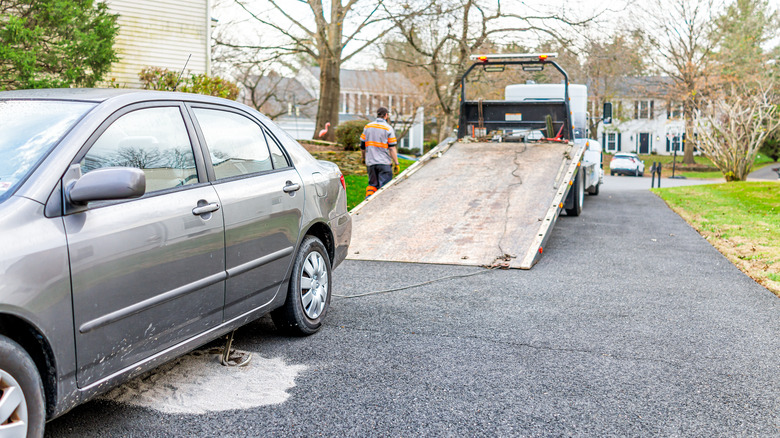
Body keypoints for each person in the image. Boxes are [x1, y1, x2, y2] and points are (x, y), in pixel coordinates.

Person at [360, 107, 400, 198]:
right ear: (386, 115)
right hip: (384, 163)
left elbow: (362, 146)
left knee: (372, 186)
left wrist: (363, 158)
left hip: (371, 162)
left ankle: (368, 203)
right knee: (385, 189)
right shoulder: (388, 128)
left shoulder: (368, 127)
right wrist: (396, 163)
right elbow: (392, 148)